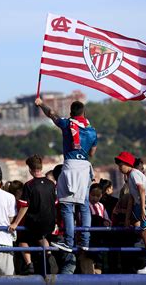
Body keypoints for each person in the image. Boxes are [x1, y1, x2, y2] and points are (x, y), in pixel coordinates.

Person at [35, 98, 97, 259]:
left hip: (70, 166)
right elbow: (92, 153)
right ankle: (85, 241)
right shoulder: (92, 131)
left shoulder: (67, 124)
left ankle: (69, 243)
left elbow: (52, 114)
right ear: (84, 114)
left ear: (71, 113)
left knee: (67, 207)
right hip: (85, 167)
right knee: (84, 206)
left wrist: (41, 103)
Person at [9, 155, 58, 275]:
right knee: (42, 237)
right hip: (50, 223)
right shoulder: (51, 184)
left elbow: (24, 206)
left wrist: (15, 223)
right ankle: (48, 254)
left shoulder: (29, 185)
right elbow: (55, 202)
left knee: (22, 239)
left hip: (35, 222)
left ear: (30, 169)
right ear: (41, 167)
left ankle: (29, 264)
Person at [115, 151, 146, 274]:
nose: (119, 168)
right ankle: (144, 237)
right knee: (141, 229)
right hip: (142, 205)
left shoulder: (134, 174)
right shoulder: (129, 176)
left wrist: (142, 209)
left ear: (127, 164)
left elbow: (141, 190)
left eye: (121, 165)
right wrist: (127, 219)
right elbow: (131, 197)